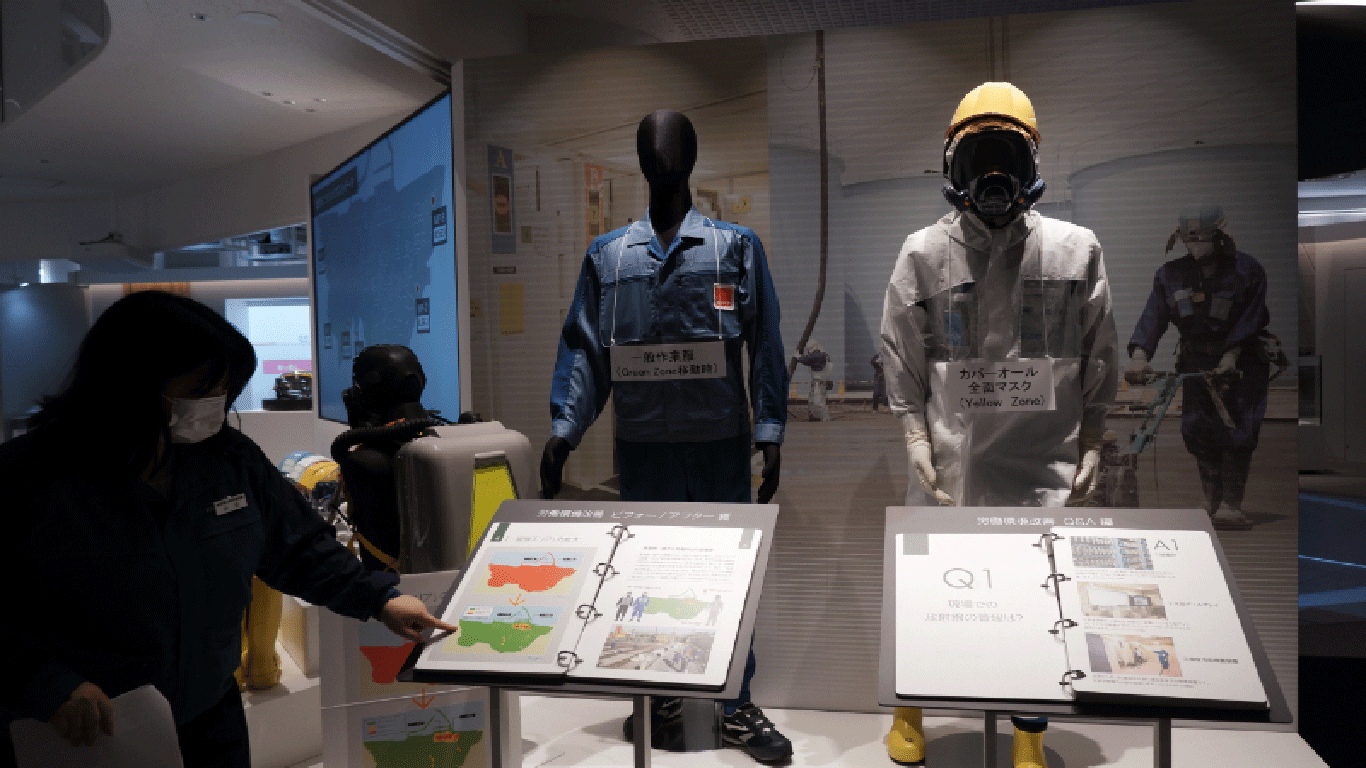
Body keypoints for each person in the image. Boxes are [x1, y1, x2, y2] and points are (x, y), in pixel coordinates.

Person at [0, 291, 456, 768]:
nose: (214, 405)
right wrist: (42, 683)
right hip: (85, 735)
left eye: (221, 390)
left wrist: (380, 599)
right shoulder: (30, 478)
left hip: (210, 723)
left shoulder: (228, 460)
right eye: (199, 390)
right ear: (132, 382)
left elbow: (297, 548)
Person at [879, 82, 1118, 768]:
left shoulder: (1076, 251)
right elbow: (900, 351)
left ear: (1030, 165)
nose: (992, 176)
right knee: (929, 589)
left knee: (1039, 601)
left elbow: (1100, 347)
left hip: (1044, 460)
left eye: (1005, 155)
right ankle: (910, 708)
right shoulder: (924, 253)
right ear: (951, 167)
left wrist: (1095, 435)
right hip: (950, 462)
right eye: (977, 156)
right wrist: (915, 436)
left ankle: (1028, 734)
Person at [542, 109, 791, 764]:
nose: (664, 156)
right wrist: (563, 431)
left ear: (694, 155)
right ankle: (664, 700)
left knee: (729, 578)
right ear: (639, 159)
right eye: (652, 146)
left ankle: (734, 705)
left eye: (675, 144)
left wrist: (770, 429)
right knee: (644, 579)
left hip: (719, 444)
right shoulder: (610, 256)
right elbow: (586, 352)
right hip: (644, 448)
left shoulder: (734, 246)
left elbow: (765, 343)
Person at [1126, 206, 1272, 529]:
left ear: (1220, 237)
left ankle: (1232, 502)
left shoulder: (1247, 271)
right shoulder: (1171, 275)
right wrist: (1139, 356)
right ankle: (1210, 499)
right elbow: (1154, 316)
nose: (1194, 246)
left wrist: (1231, 356)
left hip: (1241, 363)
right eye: (1188, 240)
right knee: (1197, 428)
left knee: (1237, 428)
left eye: (1201, 238)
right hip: (1194, 361)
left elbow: (1251, 318)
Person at [794, 340, 832, 421]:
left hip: (820, 383)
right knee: (811, 401)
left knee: (819, 402)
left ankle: (825, 419)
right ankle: (814, 417)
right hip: (817, 382)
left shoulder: (820, 356)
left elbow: (808, 360)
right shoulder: (823, 356)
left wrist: (799, 357)